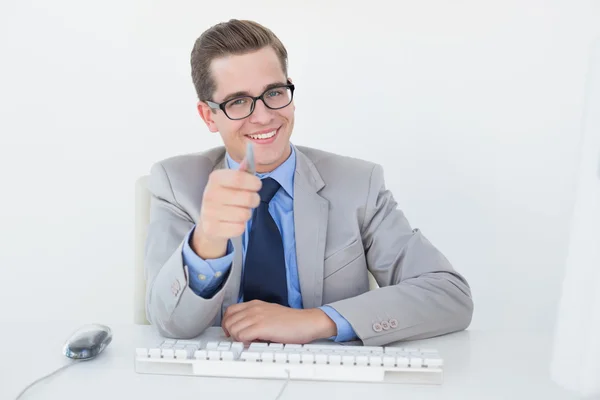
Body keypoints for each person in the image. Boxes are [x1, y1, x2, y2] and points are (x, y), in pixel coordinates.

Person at [144, 19, 473, 346]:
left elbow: (449, 295)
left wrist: (317, 320)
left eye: (273, 93)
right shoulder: (177, 185)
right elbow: (171, 323)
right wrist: (207, 241)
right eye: (238, 102)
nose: (263, 116)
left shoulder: (359, 185)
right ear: (208, 116)